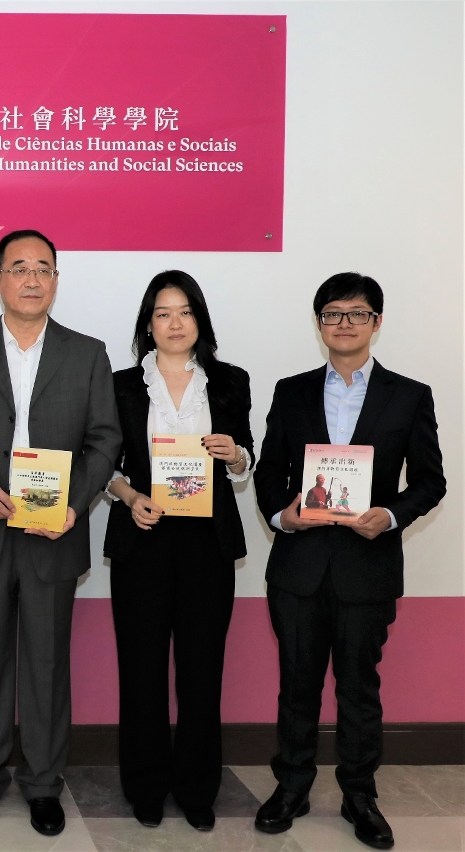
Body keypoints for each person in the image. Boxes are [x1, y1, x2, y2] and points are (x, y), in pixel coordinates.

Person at [0, 229, 121, 837]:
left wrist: (76, 504)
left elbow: (105, 439)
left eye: (43, 268)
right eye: (19, 268)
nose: (31, 279)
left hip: (53, 530)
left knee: (47, 662)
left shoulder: (87, 353)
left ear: (55, 280)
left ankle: (42, 784)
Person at [253, 273, 445, 850]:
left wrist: (390, 515)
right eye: (332, 313)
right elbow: (269, 472)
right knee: (296, 685)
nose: (344, 323)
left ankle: (360, 795)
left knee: (359, 689)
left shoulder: (409, 395)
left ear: (376, 323)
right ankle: (291, 786)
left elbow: (430, 481)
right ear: (319, 324)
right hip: (299, 567)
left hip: (368, 567)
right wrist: (284, 516)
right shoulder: (291, 391)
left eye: (357, 313)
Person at [103, 271, 255, 831]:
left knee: (201, 669)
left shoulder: (231, 380)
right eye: (163, 313)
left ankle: (196, 787)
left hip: (207, 542)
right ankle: (144, 784)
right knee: (141, 668)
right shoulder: (120, 384)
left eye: (185, 312)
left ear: (200, 320)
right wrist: (129, 497)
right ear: (148, 323)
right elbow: (105, 465)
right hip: (143, 534)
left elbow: (246, 460)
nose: (174, 323)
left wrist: (235, 454)